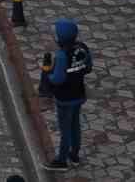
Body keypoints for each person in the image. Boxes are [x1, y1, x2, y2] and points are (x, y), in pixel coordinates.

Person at [40, 18, 92, 170]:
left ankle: (61, 160)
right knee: (75, 126)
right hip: (79, 94)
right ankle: (74, 155)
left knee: (65, 130)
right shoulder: (82, 48)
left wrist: (48, 74)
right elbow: (88, 67)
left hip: (64, 98)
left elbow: (58, 79)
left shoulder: (62, 56)